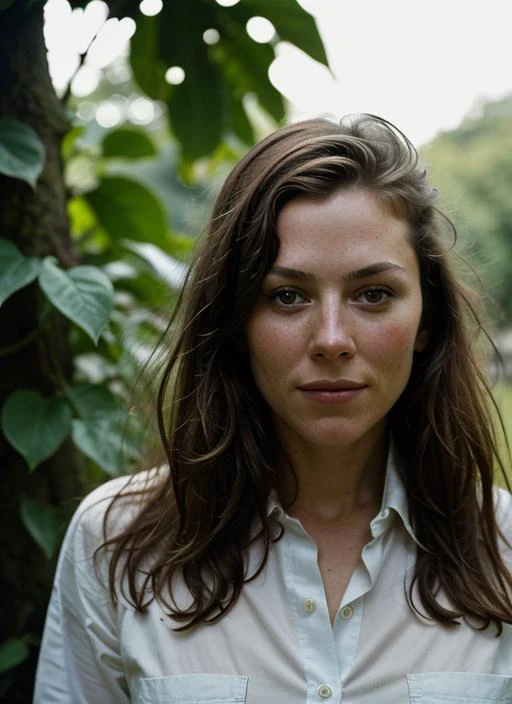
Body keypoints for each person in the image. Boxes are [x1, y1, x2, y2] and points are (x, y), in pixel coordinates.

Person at [34, 115, 512, 703]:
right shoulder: (114, 544)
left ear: (426, 319)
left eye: (373, 294)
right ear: (235, 322)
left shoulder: (505, 548)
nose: (331, 338)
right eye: (287, 296)